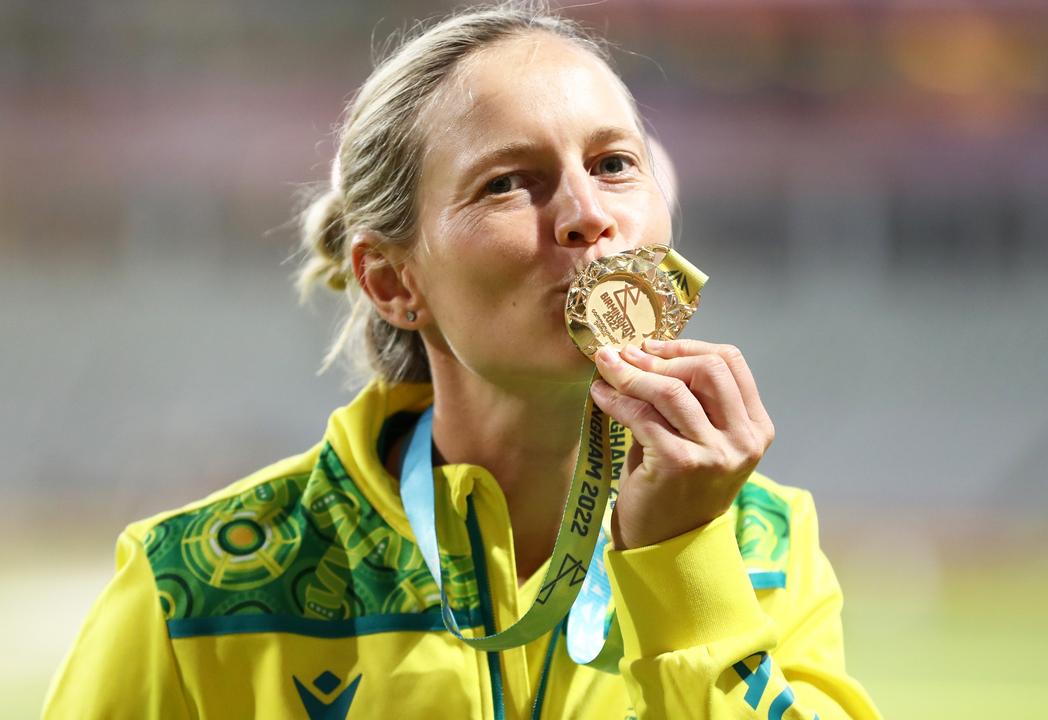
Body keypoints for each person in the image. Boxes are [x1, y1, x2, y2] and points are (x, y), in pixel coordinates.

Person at [43, 4, 881, 718]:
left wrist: (687, 568)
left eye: (613, 164)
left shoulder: (764, 544)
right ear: (392, 281)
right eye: (509, 183)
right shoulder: (194, 591)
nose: (588, 214)